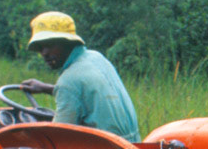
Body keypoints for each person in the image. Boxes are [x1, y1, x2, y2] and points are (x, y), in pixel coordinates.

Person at [18, 11, 141, 141]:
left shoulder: (69, 80)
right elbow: (84, 92)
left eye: (50, 45)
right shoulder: (95, 57)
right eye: (41, 48)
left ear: (67, 43)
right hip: (132, 144)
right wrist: (46, 88)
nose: (45, 53)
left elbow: (59, 137)